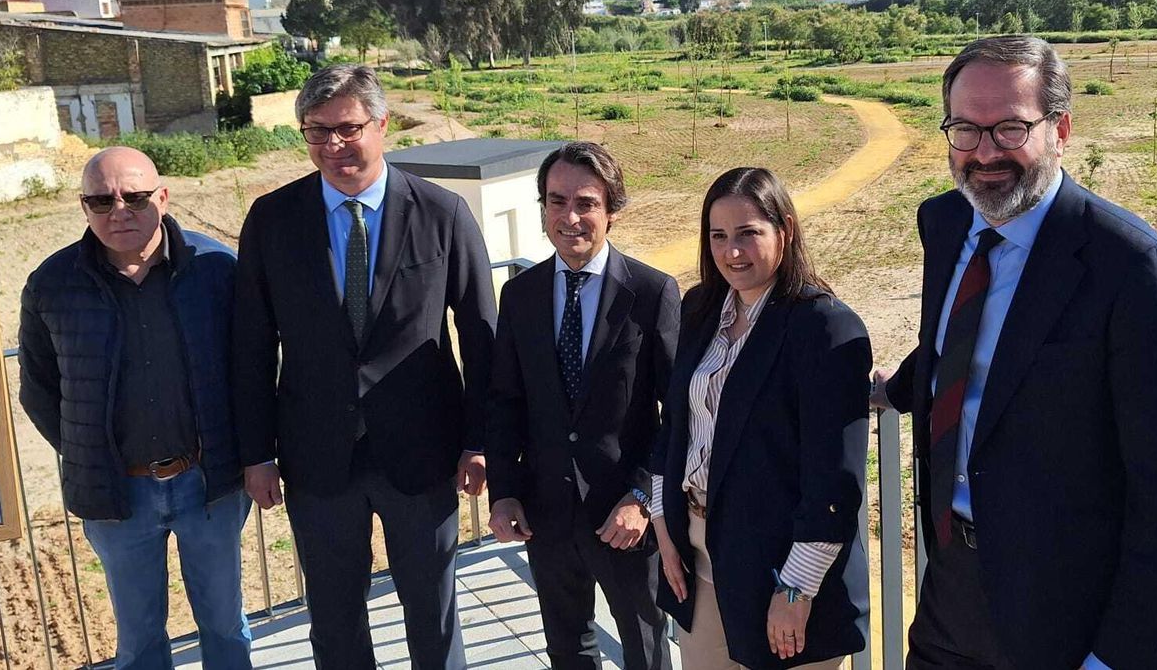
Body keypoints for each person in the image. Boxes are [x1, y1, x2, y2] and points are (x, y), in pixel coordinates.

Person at [872, 36, 1157, 670]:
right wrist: (891, 390)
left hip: (1071, 612)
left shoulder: (1132, 266)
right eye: (964, 131)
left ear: (1060, 129)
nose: (983, 153)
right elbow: (959, 345)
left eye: (1009, 128)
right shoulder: (946, 222)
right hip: (954, 585)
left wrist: (1113, 656)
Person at [232, 63, 496, 669]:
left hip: (423, 453)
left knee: (433, 613)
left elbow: (481, 336)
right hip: (315, 455)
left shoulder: (442, 214)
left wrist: (481, 441)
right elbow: (250, 346)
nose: (333, 146)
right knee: (333, 616)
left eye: (348, 129)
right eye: (316, 132)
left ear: (382, 125)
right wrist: (256, 452)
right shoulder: (272, 220)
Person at [18, 146, 250, 670]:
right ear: (84, 207)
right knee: (139, 642)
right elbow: (39, 389)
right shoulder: (52, 285)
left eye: (135, 196)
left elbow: (253, 368)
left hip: (208, 485)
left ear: (163, 198)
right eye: (101, 200)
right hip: (118, 493)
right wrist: (91, 451)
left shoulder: (218, 269)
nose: (118, 210)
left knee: (225, 628)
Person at [650, 167, 871, 670]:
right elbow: (675, 428)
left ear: (785, 230)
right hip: (698, 563)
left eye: (749, 233)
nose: (732, 252)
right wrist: (664, 528)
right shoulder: (701, 308)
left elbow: (834, 482)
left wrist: (795, 589)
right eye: (718, 236)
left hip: (784, 574)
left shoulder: (824, 327)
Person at [485, 141, 679, 670]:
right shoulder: (520, 295)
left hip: (624, 516)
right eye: (556, 201)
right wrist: (504, 493)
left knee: (645, 648)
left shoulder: (651, 291)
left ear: (611, 210)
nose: (569, 217)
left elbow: (679, 414)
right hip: (544, 513)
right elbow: (505, 401)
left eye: (586, 203)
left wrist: (644, 496)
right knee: (567, 648)